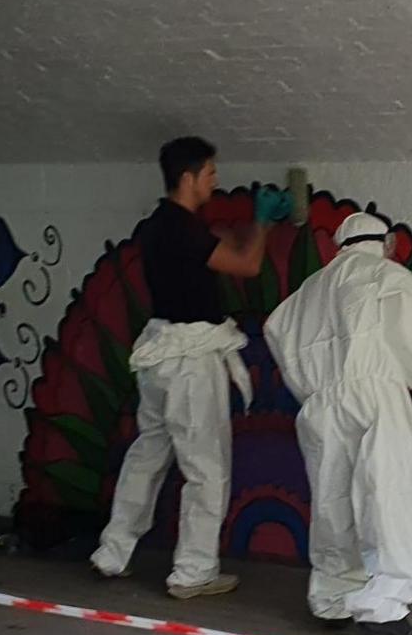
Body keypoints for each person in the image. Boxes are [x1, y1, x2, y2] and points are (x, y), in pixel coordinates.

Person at [90, 136, 289, 599]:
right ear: (189, 177)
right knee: (205, 467)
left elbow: (214, 248)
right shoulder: (184, 229)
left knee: (147, 456)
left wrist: (247, 227)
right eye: (211, 173)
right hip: (191, 364)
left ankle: (112, 552)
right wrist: (263, 224)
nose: (216, 181)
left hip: (159, 356)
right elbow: (247, 265)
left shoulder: (159, 225)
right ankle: (193, 572)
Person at [265, 211, 412, 635]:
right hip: (375, 393)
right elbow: (409, 331)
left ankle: (333, 598)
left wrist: (308, 385)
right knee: (385, 495)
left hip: (321, 402)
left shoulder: (309, 289)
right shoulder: (390, 276)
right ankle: (384, 609)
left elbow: (276, 329)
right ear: (385, 241)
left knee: (333, 500)